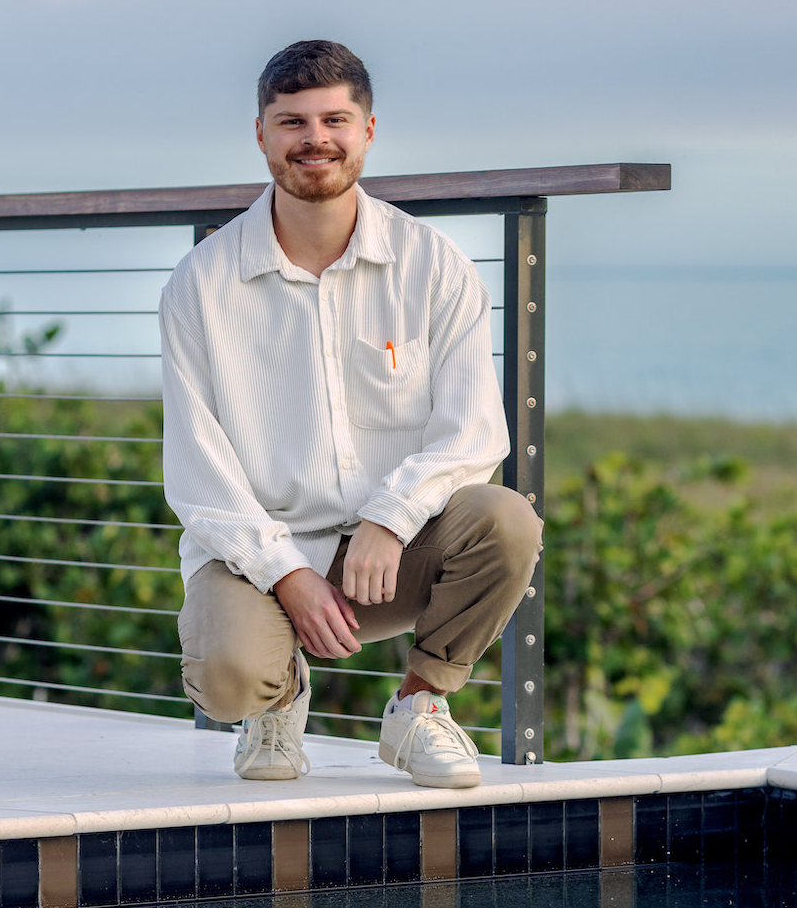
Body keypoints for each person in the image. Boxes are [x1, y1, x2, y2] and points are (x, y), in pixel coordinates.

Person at [159, 40, 542, 789]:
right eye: (291, 121)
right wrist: (288, 573)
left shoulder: (433, 264)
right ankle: (278, 697)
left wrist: (390, 515)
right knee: (229, 676)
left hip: (390, 554)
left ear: (367, 130)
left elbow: (473, 433)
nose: (314, 138)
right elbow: (199, 474)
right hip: (259, 556)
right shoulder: (200, 285)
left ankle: (419, 707)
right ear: (261, 134)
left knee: (506, 520)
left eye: (335, 118)